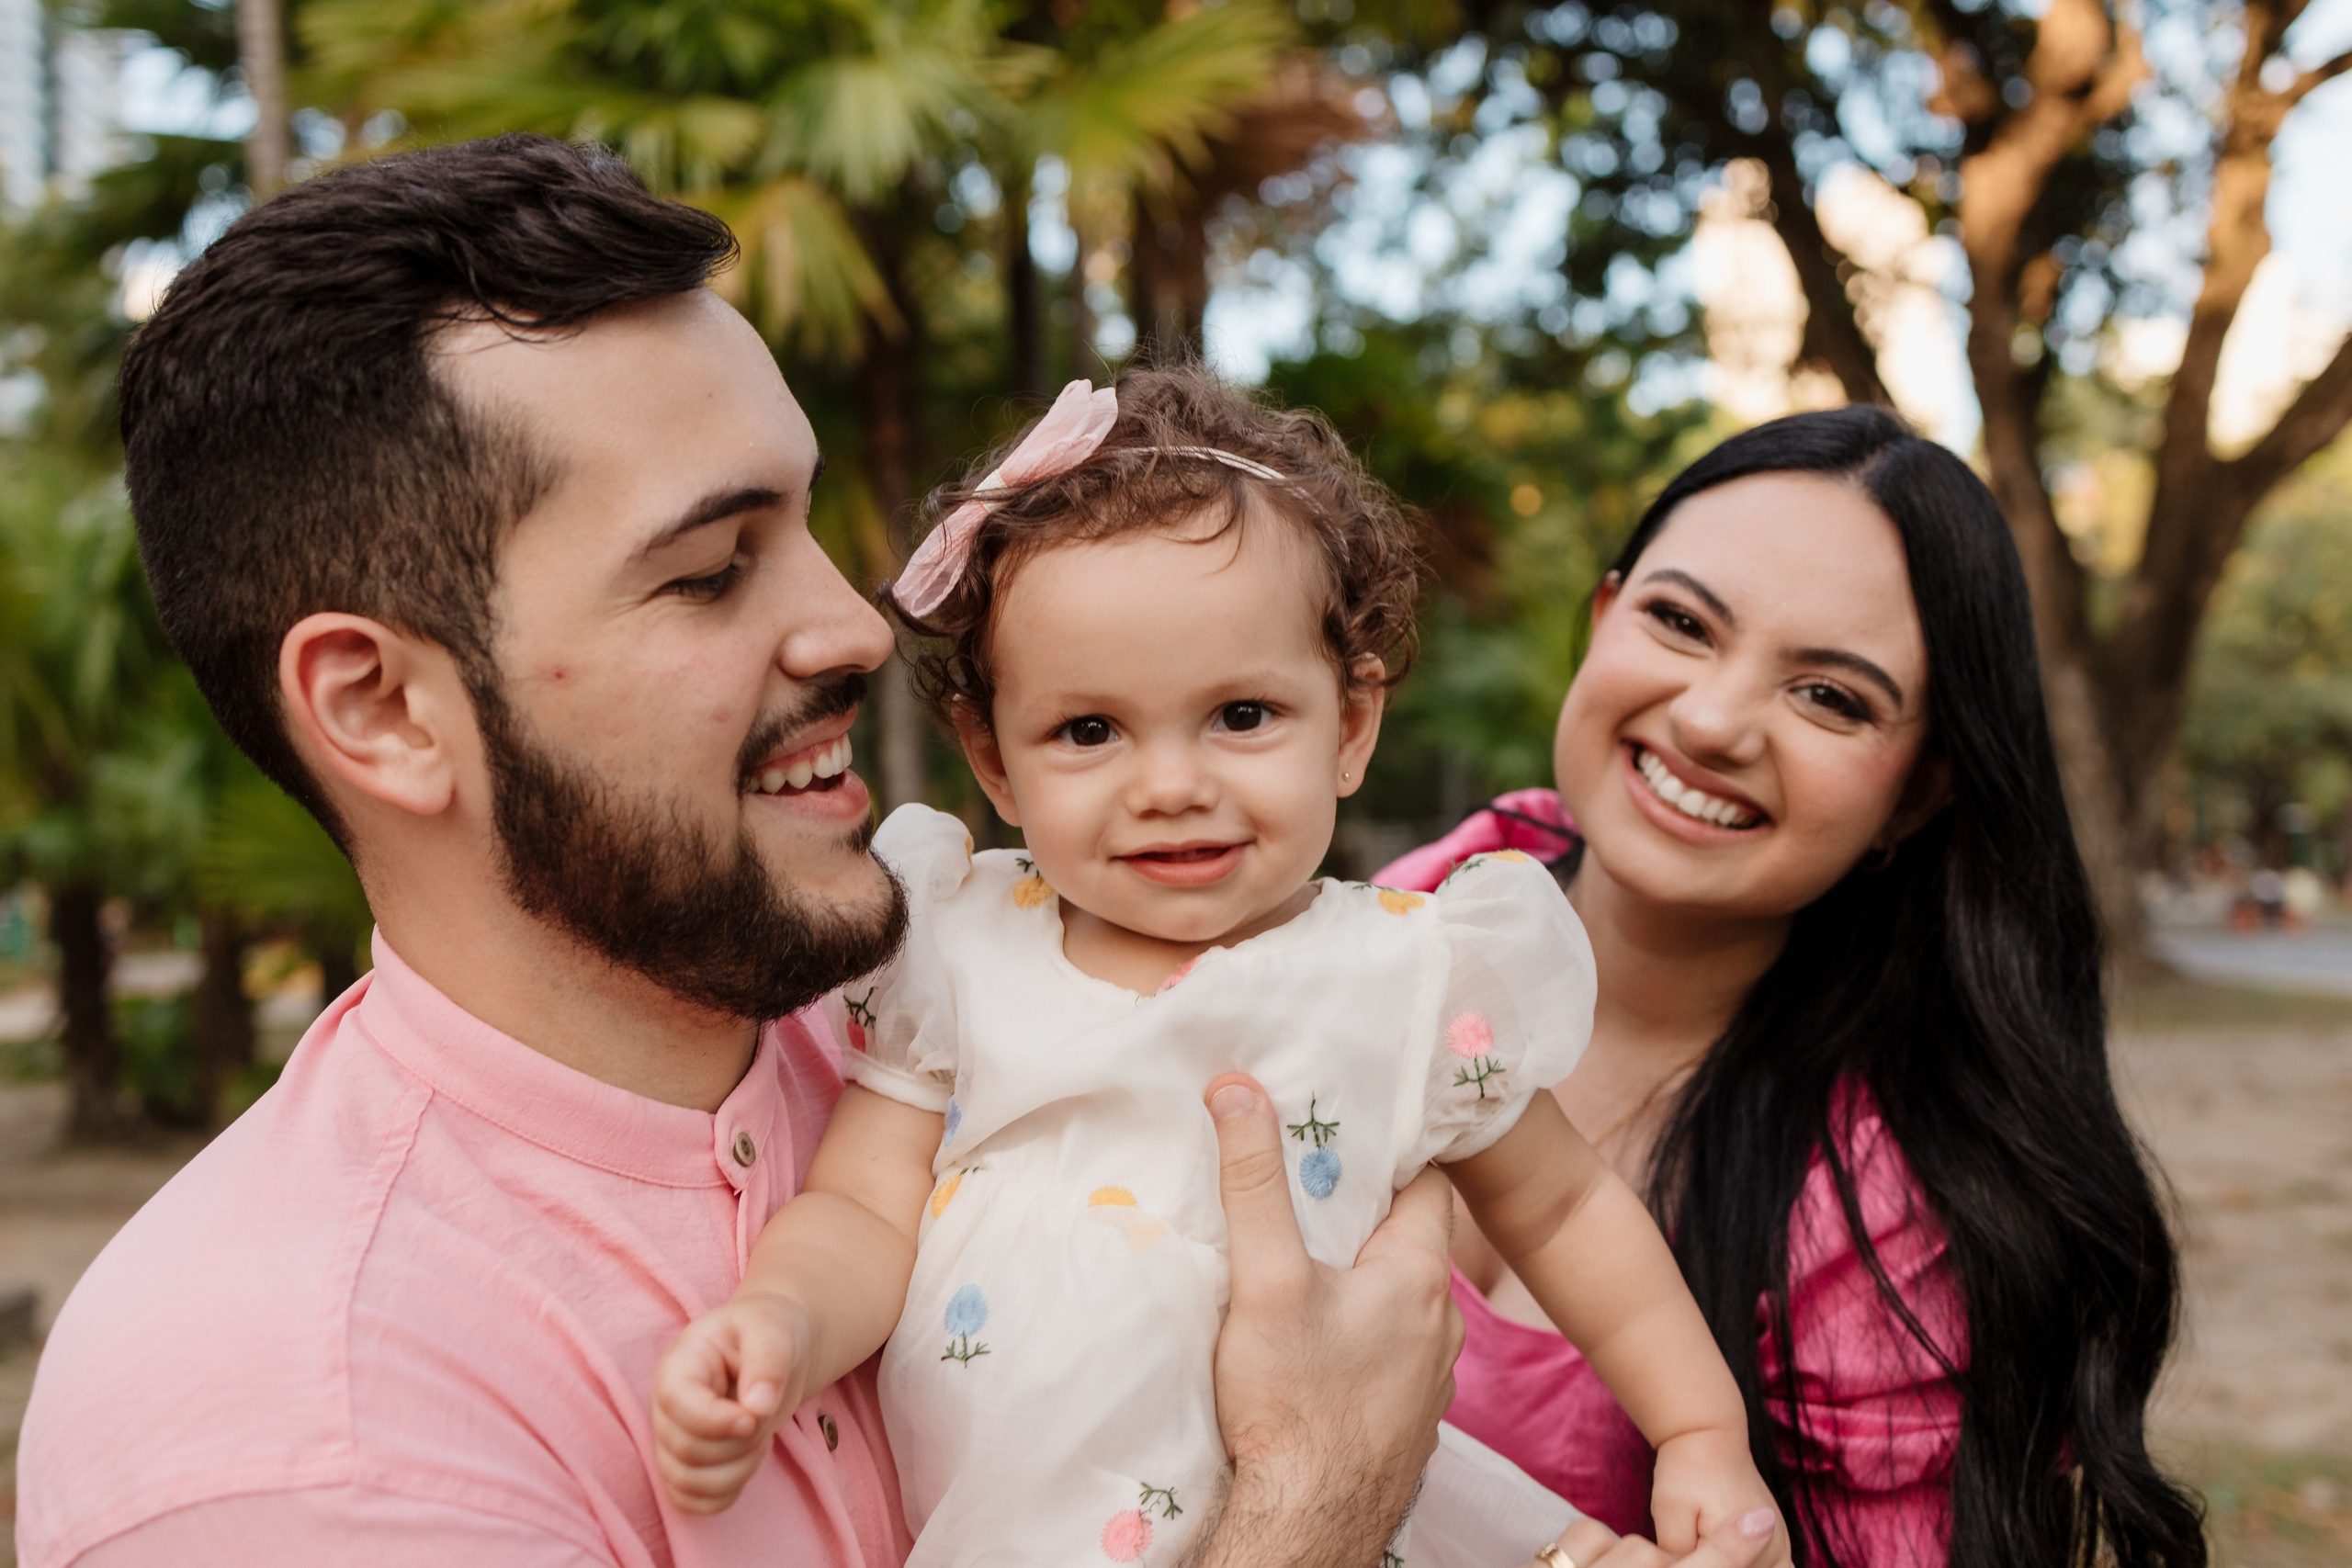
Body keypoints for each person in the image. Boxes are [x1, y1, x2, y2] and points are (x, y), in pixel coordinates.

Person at [13, 135, 1465, 1568]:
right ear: (385, 707)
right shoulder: (299, 1439)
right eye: (710, 570)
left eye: (809, 523)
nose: (851, 623)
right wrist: (1305, 1511)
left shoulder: (951, 990)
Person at [648, 370, 1789, 1567]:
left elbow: (1566, 1206)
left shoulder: (1408, 975)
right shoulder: (960, 948)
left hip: (1355, 1509)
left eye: (1242, 714)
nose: (1173, 783)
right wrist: (778, 1322)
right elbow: (861, 1209)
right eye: (1090, 730)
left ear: (1349, 723)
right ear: (993, 760)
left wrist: (1699, 1428)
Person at [1377, 408, 2210, 1565]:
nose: (1712, 721)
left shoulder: (1884, 1221)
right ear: (1602, 616)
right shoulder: (1427, 897)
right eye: (1678, 622)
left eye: (1831, 697)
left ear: (1916, 796)